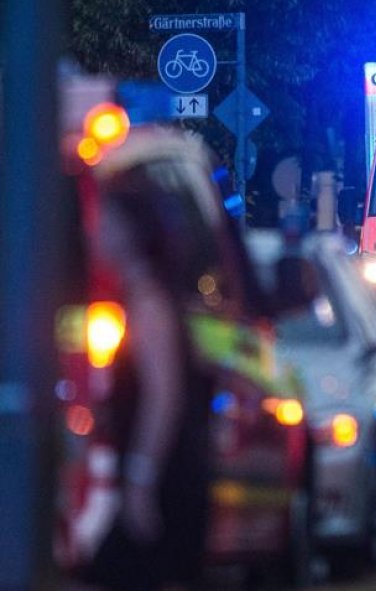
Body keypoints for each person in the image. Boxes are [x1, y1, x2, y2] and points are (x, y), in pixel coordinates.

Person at [80, 131, 218, 591]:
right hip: (167, 475)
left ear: (133, 232)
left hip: (162, 478)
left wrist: (140, 480)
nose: (96, 232)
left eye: (108, 223)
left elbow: (163, 396)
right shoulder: (151, 297)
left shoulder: (149, 305)